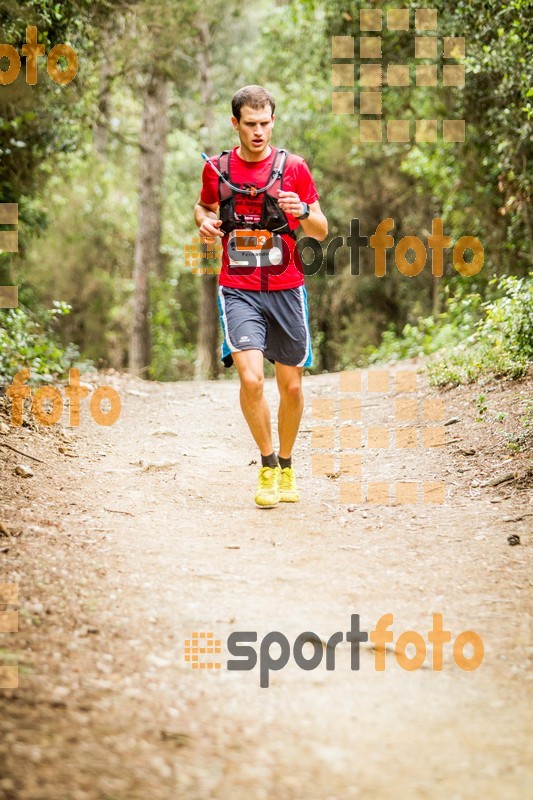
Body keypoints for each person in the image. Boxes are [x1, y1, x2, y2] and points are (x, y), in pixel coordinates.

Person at [194, 85, 327, 508]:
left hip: (287, 288)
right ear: (235, 124)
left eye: (265, 123)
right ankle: (267, 464)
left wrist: (302, 212)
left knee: (290, 387)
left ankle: (287, 467)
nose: (258, 132)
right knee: (251, 379)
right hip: (238, 288)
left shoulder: (295, 168)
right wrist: (206, 222)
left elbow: (321, 229)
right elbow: (204, 207)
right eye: (250, 124)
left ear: (273, 121)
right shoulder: (216, 169)